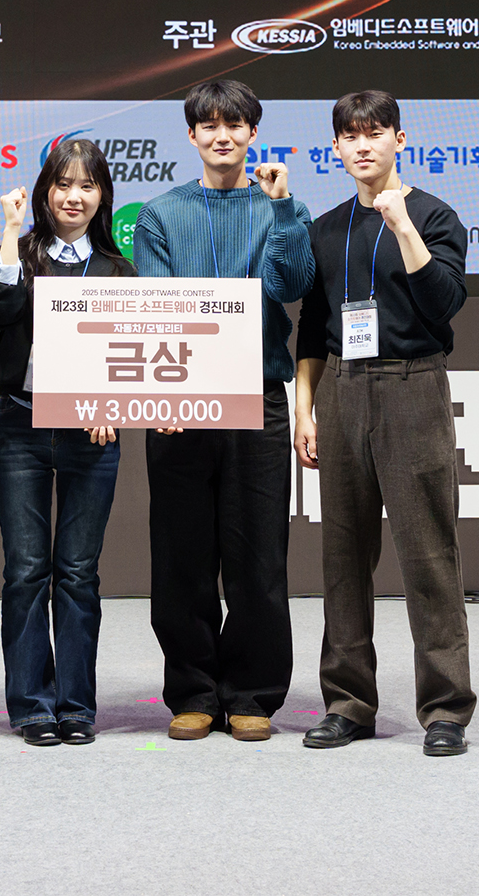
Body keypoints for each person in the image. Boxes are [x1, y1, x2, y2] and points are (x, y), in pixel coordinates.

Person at [132, 79, 314, 742]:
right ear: (191, 135)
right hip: (178, 399)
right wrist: (166, 392)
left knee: (258, 557)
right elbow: (158, 308)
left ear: (252, 133)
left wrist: (284, 210)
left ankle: (252, 693)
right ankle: (193, 691)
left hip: (256, 398)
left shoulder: (280, 207)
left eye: (235, 125)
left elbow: (290, 285)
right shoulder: (159, 214)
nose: (222, 136)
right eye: (208, 125)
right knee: (181, 557)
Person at [293, 90, 475, 756]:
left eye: (375, 133)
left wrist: (402, 228)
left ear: (400, 139)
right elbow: (313, 326)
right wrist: (305, 409)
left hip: (412, 385)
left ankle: (446, 709)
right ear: (336, 148)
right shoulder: (326, 228)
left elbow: (444, 303)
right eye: (351, 136)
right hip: (342, 389)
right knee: (343, 557)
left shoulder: (434, 215)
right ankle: (348, 703)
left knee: (429, 555)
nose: (363, 145)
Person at [0, 139, 137, 747]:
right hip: (19, 427)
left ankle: (76, 705)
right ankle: (31, 706)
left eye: (87, 186)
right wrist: (11, 232)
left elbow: (130, 358)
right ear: (46, 191)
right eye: (63, 184)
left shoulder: (118, 270)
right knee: (25, 570)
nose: (74, 197)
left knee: (77, 572)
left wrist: (112, 405)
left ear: (103, 196)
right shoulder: (20, 254)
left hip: (91, 438)